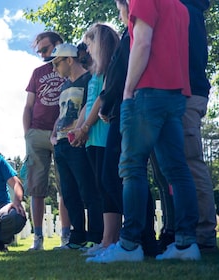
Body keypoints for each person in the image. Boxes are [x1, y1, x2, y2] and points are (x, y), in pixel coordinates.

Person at [89, 0, 201, 263]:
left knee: (132, 168)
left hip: (146, 93)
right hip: (175, 95)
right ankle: (186, 244)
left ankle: (129, 246)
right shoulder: (180, 8)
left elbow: (142, 42)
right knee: (177, 169)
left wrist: (127, 91)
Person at [85, 0, 159, 260]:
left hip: (127, 108)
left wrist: (109, 101)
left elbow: (122, 77)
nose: (120, 14)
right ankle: (141, 239)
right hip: (120, 109)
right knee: (118, 178)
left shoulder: (133, 34)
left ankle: (139, 238)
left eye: (120, 8)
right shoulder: (130, 33)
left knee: (123, 176)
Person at [153, 0, 218, 253]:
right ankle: (179, 229)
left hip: (186, 92)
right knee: (175, 167)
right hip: (180, 91)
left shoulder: (185, 10)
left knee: (190, 163)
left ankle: (202, 234)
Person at [69, 24, 120, 253]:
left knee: (109, 186)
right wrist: (79, 130)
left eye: (89, 44)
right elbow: (87, 104)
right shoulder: (93, 73)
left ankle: (111, 239)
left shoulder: (108, 69)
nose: (87, 50)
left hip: (103, 135)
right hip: (91, 137)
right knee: (102, 187)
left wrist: (86, 127)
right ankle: (108, 240)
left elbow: (101, 100)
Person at [48, 43, 101, 249]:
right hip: (60, 145)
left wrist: (78, 131)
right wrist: (54, 133)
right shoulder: (64, 86)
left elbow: (89, 107)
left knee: (88, 190)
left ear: (70, 59)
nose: (54, 69)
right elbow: (61, 113)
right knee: (69, 193)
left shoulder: (89, 79)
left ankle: (96, 237)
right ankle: (77, 238)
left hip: (79, 142)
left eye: (57, 63)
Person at [23, 31, 71, 250]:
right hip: (37, 134)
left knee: (66, 186)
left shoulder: (69, 66)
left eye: (45, 49)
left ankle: (66, 237)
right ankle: (38, 239)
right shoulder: (37, 72)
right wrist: (28, 134)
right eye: (39, 50)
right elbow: (28, 106)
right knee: (36, 188)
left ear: (58, 44)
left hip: (62, 134)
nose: (42, 54)